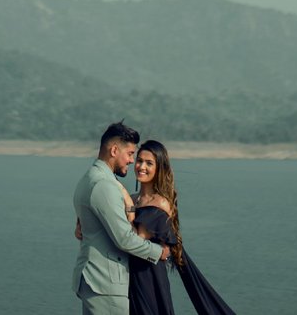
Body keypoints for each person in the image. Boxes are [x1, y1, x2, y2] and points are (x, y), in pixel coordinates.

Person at [125, 139, 238, 315]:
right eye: (139, 161)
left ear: (159, 168)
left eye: (149, 163)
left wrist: (126, 202)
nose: (141, 166)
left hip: (149, 278)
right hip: (129, 276)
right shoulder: (132, 199)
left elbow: (135, 239)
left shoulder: (160, 203)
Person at [73, 122, 171, 315]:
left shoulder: (91, 178)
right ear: (114, 150)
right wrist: (159, 252)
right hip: (105, 284)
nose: (131, 161)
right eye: (130, 154)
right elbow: (124, 238)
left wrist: (127, 198)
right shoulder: (104, 185)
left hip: (96, 282)